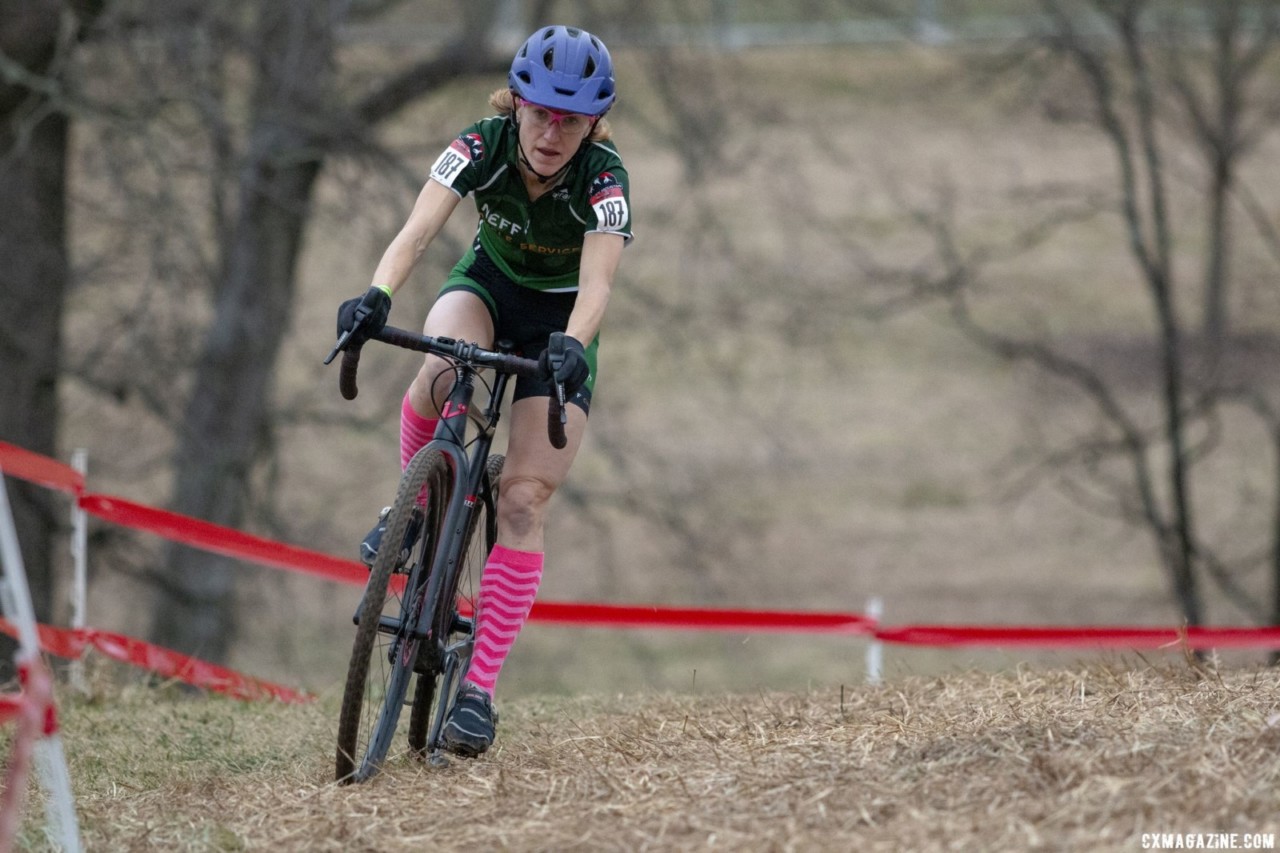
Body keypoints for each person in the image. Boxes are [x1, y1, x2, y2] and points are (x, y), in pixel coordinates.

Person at [335, 25, 631, 757]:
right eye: (540, 114)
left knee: (524, 498)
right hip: (489, 290)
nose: (552, 132)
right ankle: (409, 506)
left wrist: (570, 343)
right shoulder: (481, 144)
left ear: (593, 122)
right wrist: (376, 294)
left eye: (571, 120)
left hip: (560, 328)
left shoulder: (604, 178)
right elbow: (417, 228)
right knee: (437, 368)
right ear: (517, 104)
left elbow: (597, 284)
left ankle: (478, 690)